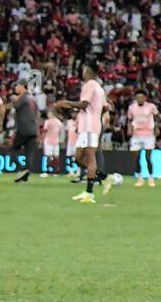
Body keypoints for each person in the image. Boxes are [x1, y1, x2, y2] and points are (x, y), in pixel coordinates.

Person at [52, 65, 108, 204]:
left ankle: (89, 193)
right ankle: (105, 178)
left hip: (89, 126)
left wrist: (65, 103)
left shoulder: (90, 85)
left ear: (89, 73)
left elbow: (84, 104)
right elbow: (106, 107)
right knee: (78, 158)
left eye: (84, 71)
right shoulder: (100, 88)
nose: (82, 73)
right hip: (90, 125)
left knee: (89, 157)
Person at [9, 83, 40, 183]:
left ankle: (21, 169)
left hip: (23, 128)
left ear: (22, 86)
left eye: (17, 86)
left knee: (13, 150)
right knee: (29, 153)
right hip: (33, 128)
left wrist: (14, 99)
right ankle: (25, 175)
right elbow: (37, 113)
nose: (16, 88)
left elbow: (15, 105)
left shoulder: (23, 97)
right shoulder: (33, 98)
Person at [127, 90, 159, 187]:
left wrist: (157, 129)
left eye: (141, 97)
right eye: (138, 98)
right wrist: (129, 129)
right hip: (136, 135)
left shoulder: (151, 107)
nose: (139, 99)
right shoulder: (131, 108)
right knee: (136, 158)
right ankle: (140, 178)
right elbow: (129, 120)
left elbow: (157, 118)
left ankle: (150, 177)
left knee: (148, 157)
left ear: (145, 98)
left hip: (148, 134)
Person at [41, 110, 63, 175]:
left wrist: (42, 139)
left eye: (49, 113)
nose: (48, 115)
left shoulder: (48, 122)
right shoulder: (58, 122)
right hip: (51, 140)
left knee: (53, 156)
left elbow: (44, 131)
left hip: (51, 141)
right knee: (51, 156)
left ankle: (53, 171)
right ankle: (52, 171)